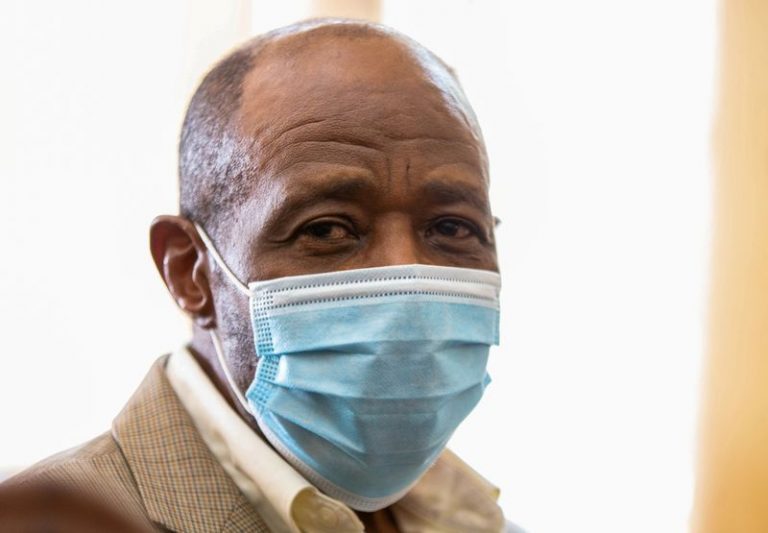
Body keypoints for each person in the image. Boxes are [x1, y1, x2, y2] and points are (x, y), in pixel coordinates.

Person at [0, 18, 518, 532]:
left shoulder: (471, 518)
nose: (406, 275)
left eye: (452, 226)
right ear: (189, 271)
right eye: (326, 230)